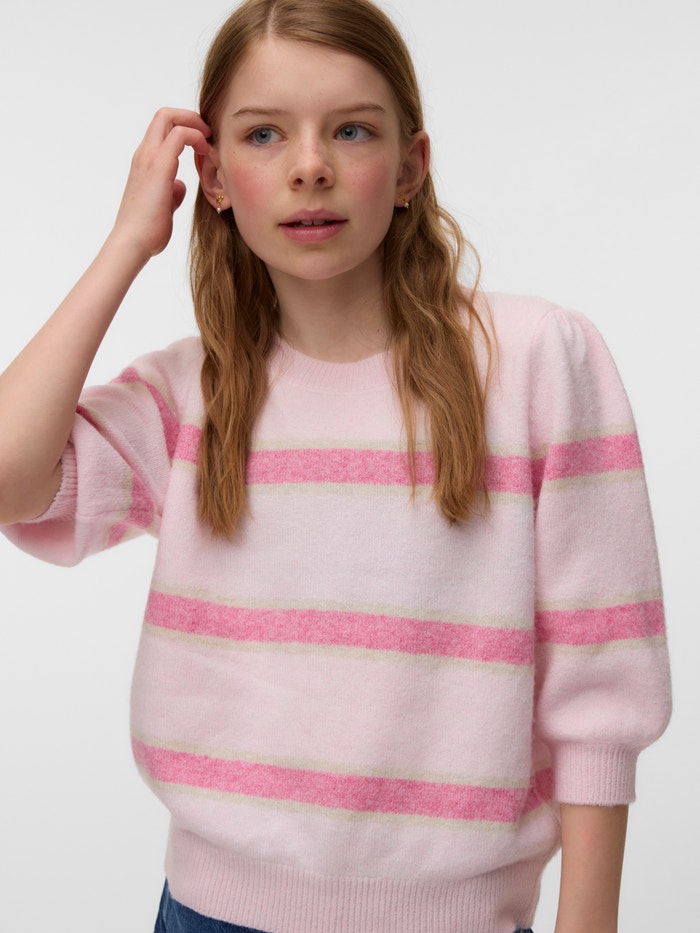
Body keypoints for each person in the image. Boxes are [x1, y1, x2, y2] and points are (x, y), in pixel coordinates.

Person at [0, 0, 671, 930]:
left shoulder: (537, 361)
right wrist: (127, 243)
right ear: (213, 177)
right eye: (263, 134)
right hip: (206, 912)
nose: (309, 164)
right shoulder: (192, 393)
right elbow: (10, 477)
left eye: (351, 130)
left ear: (410, 167)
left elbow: (602, 686)